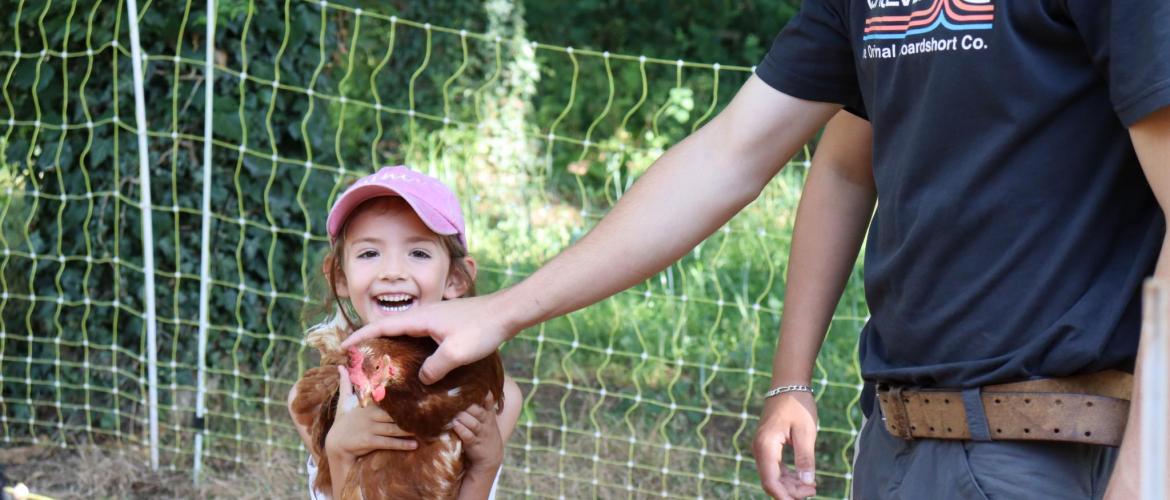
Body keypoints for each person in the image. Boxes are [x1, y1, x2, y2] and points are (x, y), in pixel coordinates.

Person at [341, 1, 1170, 498]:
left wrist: (1145, 475)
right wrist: (508, 308)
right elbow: (736, 154)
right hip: (900, 441)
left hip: (1053, 447)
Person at [286, 165, 523, 499]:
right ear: (340, 276)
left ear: (456, 278)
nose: (393, 271)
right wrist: (338, 450)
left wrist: (487, 464)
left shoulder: (497, 399)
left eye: (418, 253)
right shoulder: (312, 400)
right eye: (370, 253)